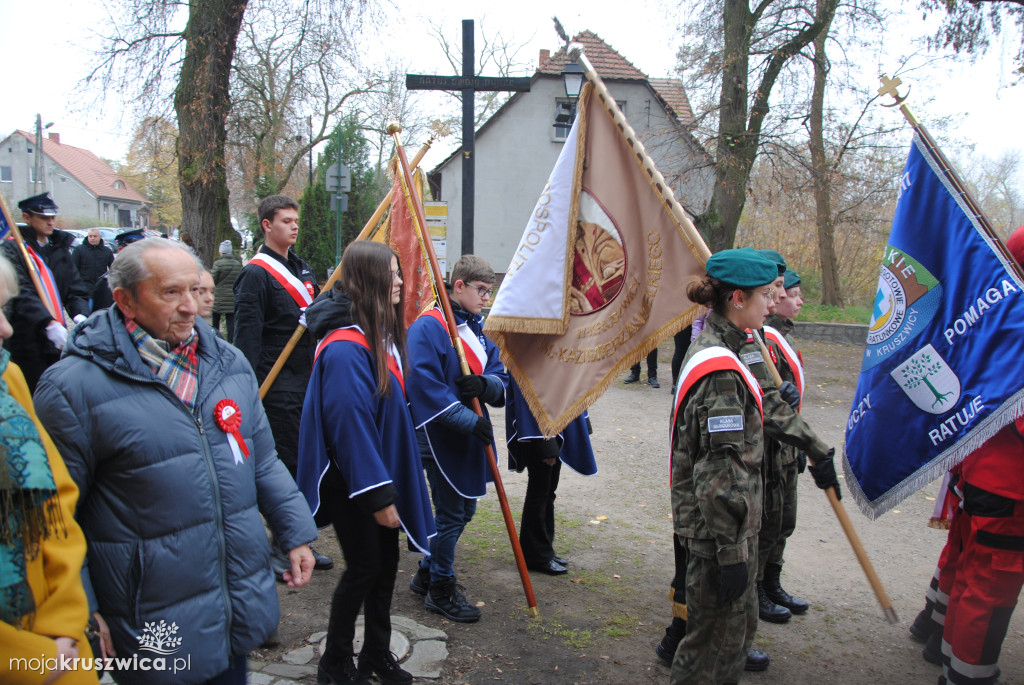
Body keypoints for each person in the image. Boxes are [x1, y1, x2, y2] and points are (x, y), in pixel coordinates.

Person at [34, 238, 317, 685]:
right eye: (170, 293)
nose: (190, 307)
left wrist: (295, 533)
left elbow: (262, 459)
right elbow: (51, 520)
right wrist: (83, 609)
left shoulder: (228, 363)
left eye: (195, 290)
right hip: (149, 616)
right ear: (125, 300)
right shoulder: (72, 388)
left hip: (231, 602)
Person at [298, 241, 435, 685]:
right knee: (362, 569)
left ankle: (376, 653)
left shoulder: (376, 336)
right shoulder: (344, 348)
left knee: (385, 567)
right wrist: (378, 495)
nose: (400, 281)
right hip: (352, 483)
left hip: (375, 477)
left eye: (399, 272)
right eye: (392, 274)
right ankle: (334, 661)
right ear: (368, 279)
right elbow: (349, 426)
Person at [909, 225, 1024, 685]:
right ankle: (967, 675)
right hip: (1006, 481)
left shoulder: (997, 312)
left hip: (982, 469)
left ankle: (940, 639)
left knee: (968, 563)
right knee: (991, 586)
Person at [669, 249, 779, 683]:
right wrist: (733, 553)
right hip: (718, 537)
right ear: (738, 298)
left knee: (733, 634)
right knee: (712, 647)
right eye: (766, 295)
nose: (772, 303)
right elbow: (719, 473)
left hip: (728, 532)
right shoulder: (720, 371)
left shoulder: (730, 349)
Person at [0, 257, 99, 685]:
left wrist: (64, 619)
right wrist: (27, 657)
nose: (6, 330)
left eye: (4, 312)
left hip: (60, 640)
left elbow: (57, 499)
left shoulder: (9, 381)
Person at [406, 255, 508, 622]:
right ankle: (440, 588)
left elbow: (501, 376)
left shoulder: (476, 328)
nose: (485, 298)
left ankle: (428, 571)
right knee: (451, 514)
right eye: (481, 290)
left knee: (464, 509)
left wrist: (485, 385)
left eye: (489, 292)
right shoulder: (428, 327)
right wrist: (467, 419)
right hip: (438, 435)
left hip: (469, 433)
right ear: (459, 285)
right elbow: (424, 388)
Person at [233, 195, 332, 573]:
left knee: (304, 461)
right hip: (276, 386)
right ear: (266, 225)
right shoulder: (255, 275)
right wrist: (250, 391)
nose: (294, 226)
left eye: (296, 220)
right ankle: (283, 545)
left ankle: (298, 538)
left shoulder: (302, 269)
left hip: (306, 380)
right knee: (287, 465)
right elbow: (247, 340)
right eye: (286, 220)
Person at [759, 267, 810, 620]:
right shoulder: (762, 340)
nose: (792, 298)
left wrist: (800, 443)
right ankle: (759, 587)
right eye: (785, 290)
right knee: (768, 522)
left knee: (784, 520)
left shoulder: (781, 336)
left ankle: (771, 582)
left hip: (787, 446)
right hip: (769, 449)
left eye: (784, 289)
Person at [505, 378, 596, 575]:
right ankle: (536, 555)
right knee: (540, 492)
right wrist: (545, 443)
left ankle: (544, 549)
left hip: (554, 427)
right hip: (540, 432)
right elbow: (528, 394)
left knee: (548, 492)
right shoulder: (527, 348)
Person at [1, 192, 90, 393]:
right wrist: (47, 322)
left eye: (52, 217)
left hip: (56, 339)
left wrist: (80, 315)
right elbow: (21, 291)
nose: (50, 222)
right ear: (27, 218)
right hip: (26, 338)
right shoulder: (14, 249)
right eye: (43, 217)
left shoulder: (59, 248)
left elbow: (75, 288)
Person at [90, 229, 147, 313]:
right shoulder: (107, 283)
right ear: (121, 249)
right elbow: (103, 318)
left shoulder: (149, 276)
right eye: (137, 249)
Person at [211, 240, 242, 343]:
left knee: (216, 318)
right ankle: (231, 341)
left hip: (219, 296)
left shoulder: (218, 264)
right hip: (232, 296)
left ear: (221, 252)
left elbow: (213, 279)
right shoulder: (237, 264)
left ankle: (215, 338)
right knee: (230, 320)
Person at [71, 228, 114, 298]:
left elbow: (113, 269)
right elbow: (73, 269)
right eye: (90, 236)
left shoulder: (107, 251)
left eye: (95, 236)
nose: (92, 238)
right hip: (84, 289)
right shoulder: (79, 250)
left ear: (100, 237)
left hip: (101, 288)